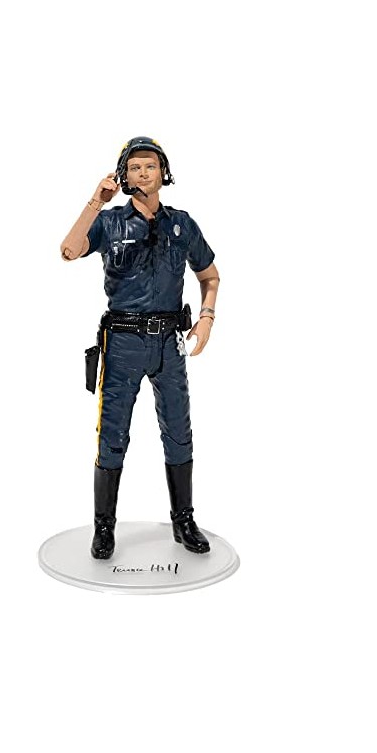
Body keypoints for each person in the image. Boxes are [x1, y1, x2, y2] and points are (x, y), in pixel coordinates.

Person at [60, 137, 220, 560]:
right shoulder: (110, 223)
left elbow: (210, 275)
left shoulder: (181, 225)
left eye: (150, 166)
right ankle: (104, 527)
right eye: (134, 167)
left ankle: (183, 520)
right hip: (123, 343)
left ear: (163, 173)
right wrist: (95, 202)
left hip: (169, 344)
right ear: (123, 175)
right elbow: (69, 250)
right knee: (112, 435)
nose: (143, 173)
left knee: (179, 432)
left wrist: (207, 317)